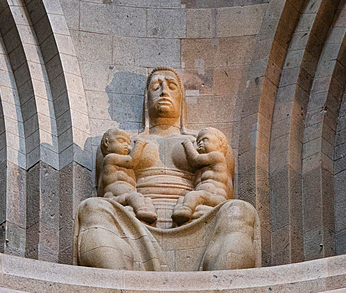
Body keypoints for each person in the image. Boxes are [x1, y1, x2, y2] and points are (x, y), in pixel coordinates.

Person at [74, 67, 259, 271]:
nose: (163, 91)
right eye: (156, 86)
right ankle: (119, 283)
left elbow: (221, 192)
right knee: (92, 208)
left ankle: (220, 286)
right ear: (147, 97)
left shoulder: (205, 142)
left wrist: (207, 209)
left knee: (240, 210)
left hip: (196, 220)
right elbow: (108, 191)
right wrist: (124, 205)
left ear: (182, 97)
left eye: (172, 86)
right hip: (132, 221)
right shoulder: (122, 143)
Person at [172, 128, 231, 225]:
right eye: (198, 141)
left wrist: (187, 144)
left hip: (216, 196)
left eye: (205, 140)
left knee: (193, 196)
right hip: (205, 195)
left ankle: (185, 211)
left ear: (220, 143)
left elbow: (195, 159)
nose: (200, 143)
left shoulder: (217, 156)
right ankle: (180, 214)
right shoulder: (205, 164)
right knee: (182, 199)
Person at [97, 128, 157, 224]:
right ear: (107, 142)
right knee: (135, 196)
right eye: (121, 140)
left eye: (128, 143)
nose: (127, 145)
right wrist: (139, 144)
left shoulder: (123, 167)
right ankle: (141, 211)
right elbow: (132, 161)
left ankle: (145, 212)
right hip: (115, 197)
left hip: (127, 198)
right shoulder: (110, 158)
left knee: (147, 199)